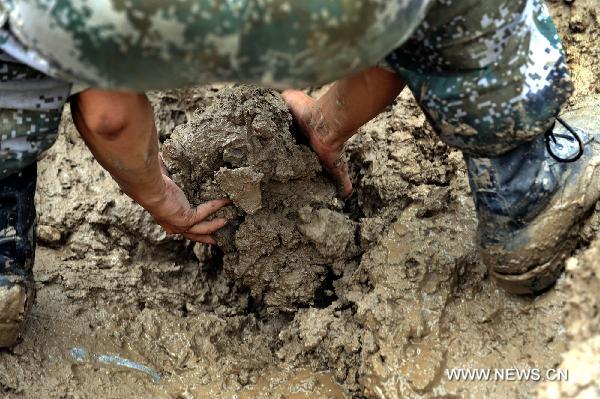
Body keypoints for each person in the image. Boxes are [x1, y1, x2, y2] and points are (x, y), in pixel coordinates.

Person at [0, 0, 596, 348]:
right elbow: (396, 46)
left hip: (130, 21)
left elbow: (108, 116)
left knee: (17, 41)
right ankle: (524, 194)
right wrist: (327, 125)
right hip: (329, 13)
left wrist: (158, 195)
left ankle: (3, 257)